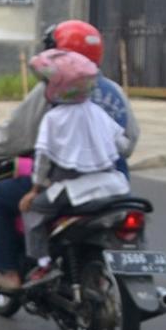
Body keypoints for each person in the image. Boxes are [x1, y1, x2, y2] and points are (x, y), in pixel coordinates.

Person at [0, 20, 139, 292]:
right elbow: (127, 143)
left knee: (3, 199)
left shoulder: (51, 98)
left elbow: (18, 139)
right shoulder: (111, 92)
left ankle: (18, 270)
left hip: (66, 187)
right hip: (113, 185)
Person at [17, 49, 131, 285]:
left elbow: (43, 159)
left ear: (57, 86)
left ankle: (43, 264)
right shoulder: (97, 112)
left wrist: (34, 190)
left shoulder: (54, 118)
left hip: (74, 192)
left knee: (32, 209)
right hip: (113, 186)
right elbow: (123, 144)